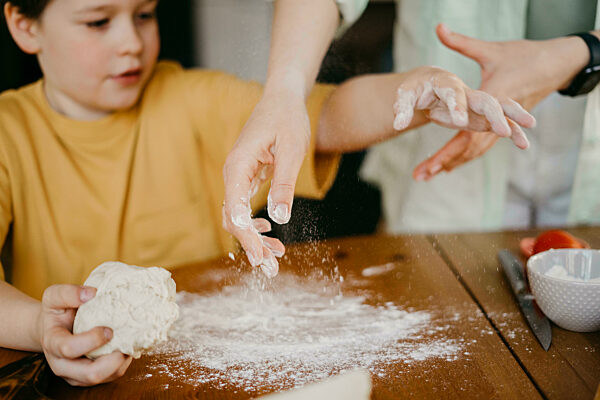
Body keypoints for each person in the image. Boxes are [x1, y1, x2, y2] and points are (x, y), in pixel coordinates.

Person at [0, 0, 533, 386]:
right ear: (25, 26)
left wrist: (412, 95)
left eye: (144, 14)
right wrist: (38, 326)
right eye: (98, 21)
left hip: (204, 374)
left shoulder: (188, 98)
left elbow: (319, 118)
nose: (130, 42)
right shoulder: (8, 134)